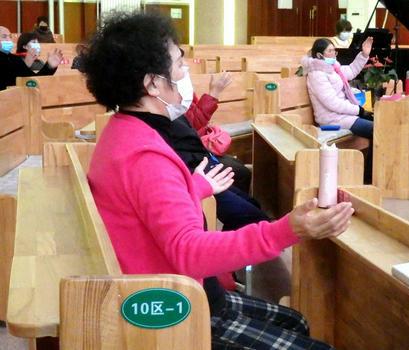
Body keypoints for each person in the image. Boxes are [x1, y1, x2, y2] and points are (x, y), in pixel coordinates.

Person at [83, 12, 354, 349]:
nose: (186, 75)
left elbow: (141, 204)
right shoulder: (144, 155)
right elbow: (189, 252)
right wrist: (289, 229)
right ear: (152, 83)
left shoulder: (123, 131)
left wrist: (195, 187)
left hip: (166, 284)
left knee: (296, 321)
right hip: (169, 307)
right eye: (179, 65)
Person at [302, 37, 374, 183]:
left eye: (334, 50)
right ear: (319, 55)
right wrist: (358, 110)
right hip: (331, 119)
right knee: (375, 130)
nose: (334, 53)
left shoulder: (332, 68)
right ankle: (369, 177)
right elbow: (332, 103)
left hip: (343, 116)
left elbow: (351, 70)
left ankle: (371, 174)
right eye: (330, 51)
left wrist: (364, 55)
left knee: (378, 125)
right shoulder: (316, 74)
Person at [0, 26, 62, 90]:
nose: (8, 40)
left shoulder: (16, 59)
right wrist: (26, 64)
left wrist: (49, 66)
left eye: (10, 37)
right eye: (4, 36)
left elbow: (34, 82)